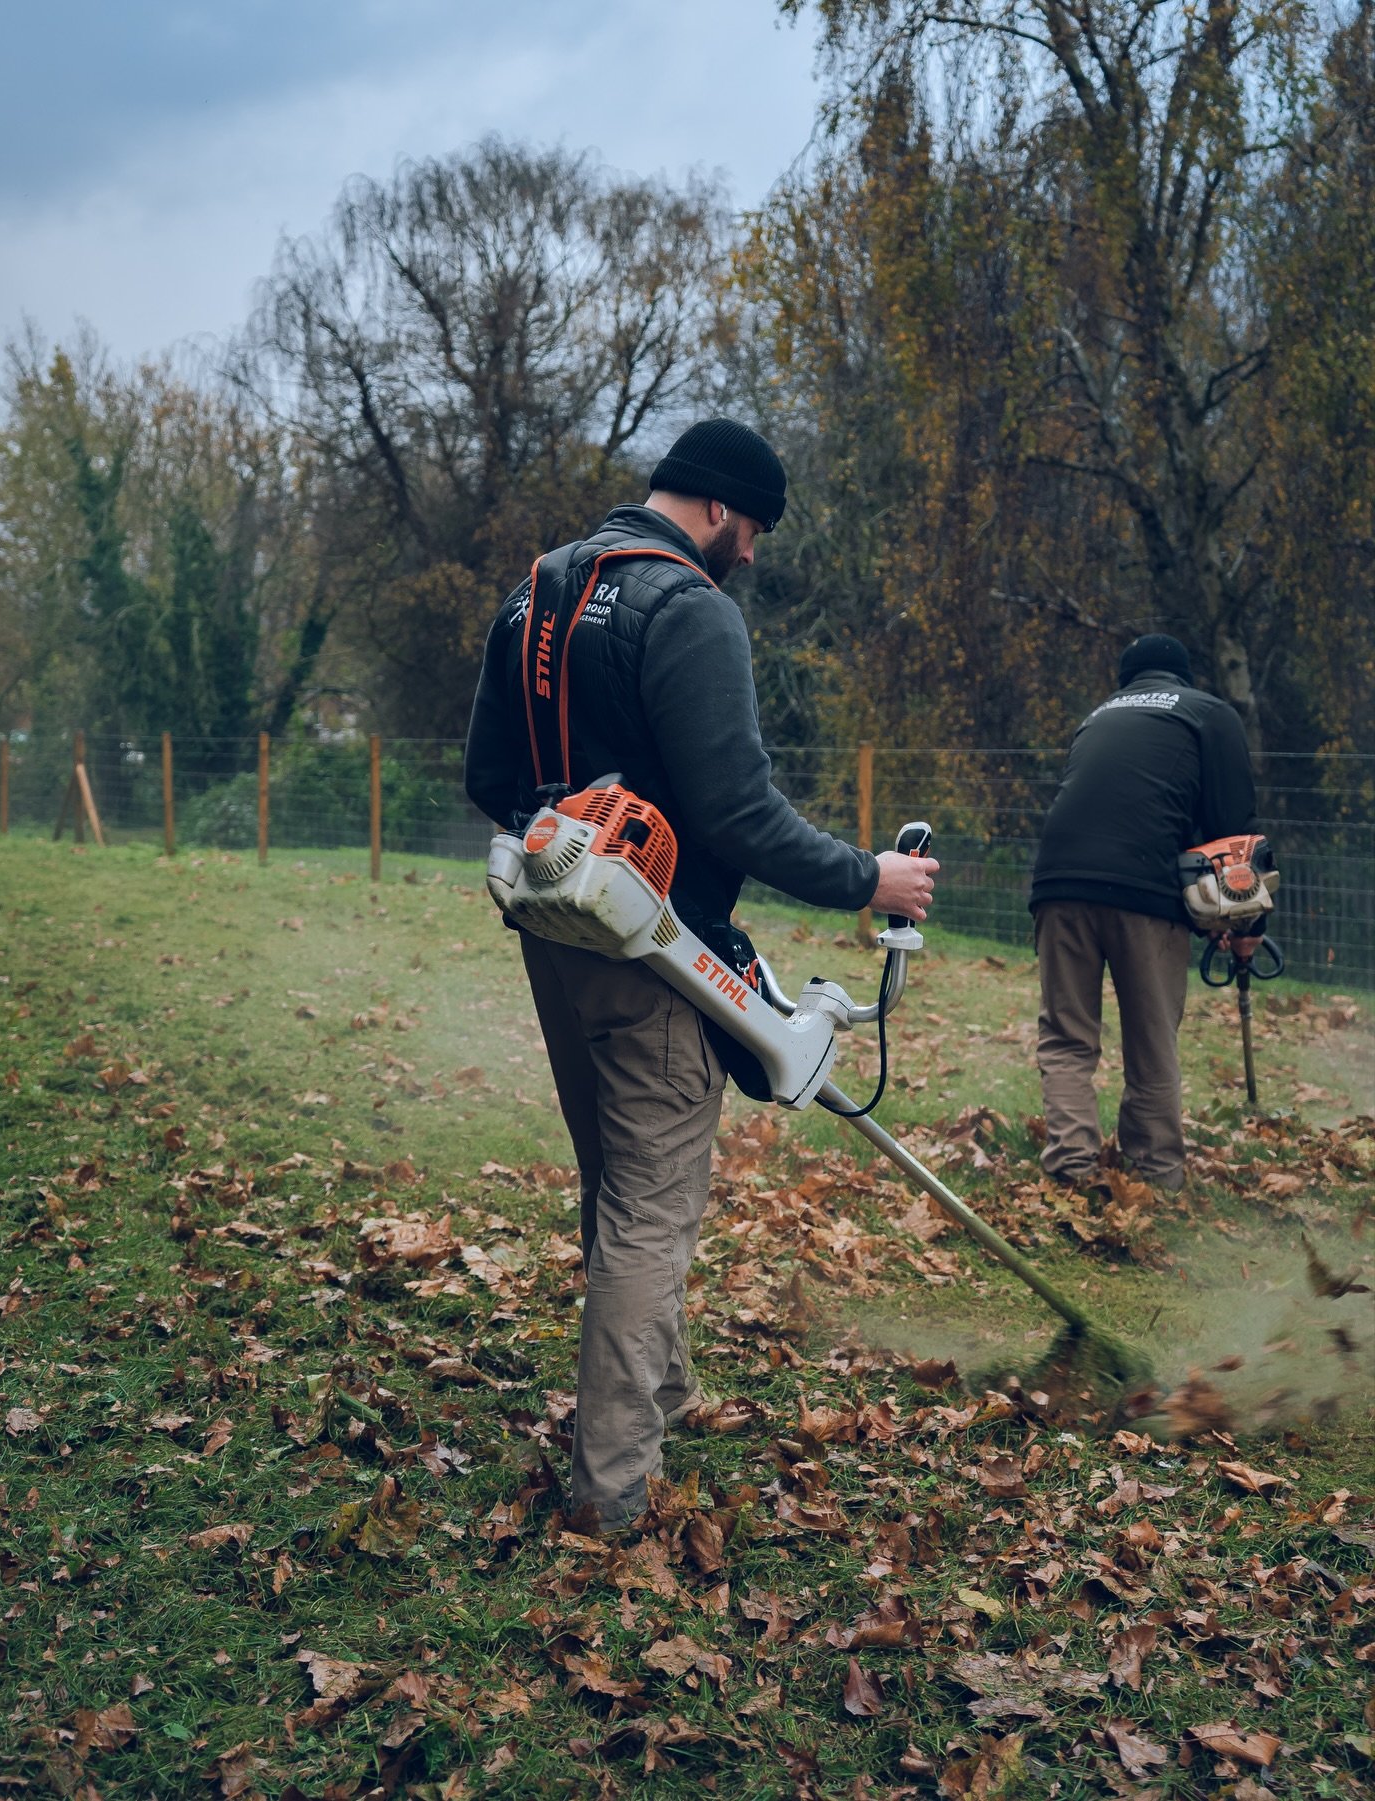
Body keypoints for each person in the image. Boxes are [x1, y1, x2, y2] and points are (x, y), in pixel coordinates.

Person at [465, 418, 939, 1531]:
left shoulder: (536, 593)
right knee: (651, 1208)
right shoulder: (689, 608)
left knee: (616, 1180)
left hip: (555, 935)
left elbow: (491, 773)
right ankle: (613, 1494)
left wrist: (568, 838)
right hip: (653, 949)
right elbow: (739, 810)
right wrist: (867, 877)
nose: (756, 554)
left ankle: (660, 1391)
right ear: (721, 509)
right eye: (757, 527)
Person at [1029, 633, 1260, 1194]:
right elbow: (1233, 829)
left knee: (1066, 1038)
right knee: (1152, 1039)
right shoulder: (1209, 713)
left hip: (1057, 886)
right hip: (1143, 892)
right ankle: (1156, 1176)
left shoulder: (1096, 718)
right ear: (1182, 674)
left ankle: (1071, 1171)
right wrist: (1247, 927)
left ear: (1126, 679)